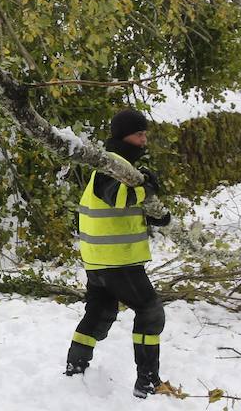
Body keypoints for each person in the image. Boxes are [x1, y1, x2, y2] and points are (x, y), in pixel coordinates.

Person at [64, 108, 171, 398]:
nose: (144, 141)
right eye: (139, 135)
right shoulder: (112, 165)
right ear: (124, 136)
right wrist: (146, 189)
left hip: (99, 259)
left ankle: (75, 370)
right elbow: (117, 197)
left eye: (145, 134)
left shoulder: (117, 165)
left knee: (100, 312)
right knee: (150, 312)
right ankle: (148, 382)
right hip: (118, 261)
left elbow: (116, 208)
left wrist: (152, 215)